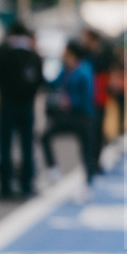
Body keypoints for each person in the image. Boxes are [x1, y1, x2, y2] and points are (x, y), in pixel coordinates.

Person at [0, 22, 43, 199]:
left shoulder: (4, 54)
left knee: (5, 146)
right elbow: (41, 81)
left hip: (7, 106)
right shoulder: (34, 56)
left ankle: (5, 186)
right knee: (27, 146)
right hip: (27, 106)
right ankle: (27, 184)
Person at [40, 39, 97, 187]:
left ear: (72, 54)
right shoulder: (65, 70)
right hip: (68, 115)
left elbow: (88, 96)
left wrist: (70, 101)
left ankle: (89, 181)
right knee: (45, 136)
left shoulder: (84, 71)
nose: (62, 55)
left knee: (86, 151)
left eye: (65, 52)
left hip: (83, 117)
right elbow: (53, 83)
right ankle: (53, 168)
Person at [81, 28, 113, 170]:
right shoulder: (86, 54)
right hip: (92, 96)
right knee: (90, 132)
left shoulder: (102, 55)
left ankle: (95, 161)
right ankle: (91, 162)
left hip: (99, 95)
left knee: (97, 131)